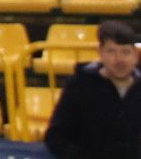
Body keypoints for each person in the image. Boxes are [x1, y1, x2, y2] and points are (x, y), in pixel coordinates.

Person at [45, 18, 141, 159]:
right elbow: (56, 137)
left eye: (126, 52)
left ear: (136, 55)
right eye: (112, 52)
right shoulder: (79, 85)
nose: (119, 59)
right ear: (100, 53)